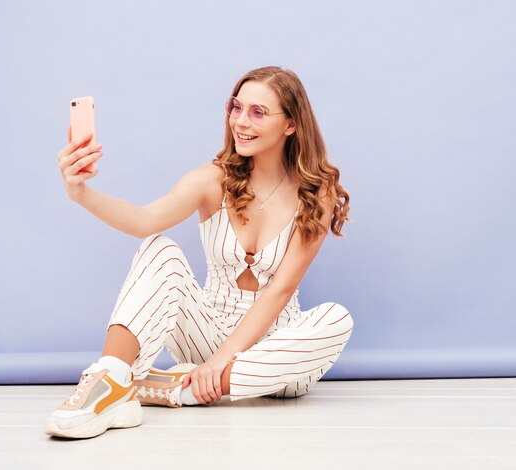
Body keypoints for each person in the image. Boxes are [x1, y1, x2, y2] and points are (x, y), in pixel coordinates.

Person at [46, 66, 354, 439]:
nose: (240, 121)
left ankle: (180, 388)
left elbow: (281, 290)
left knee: (337, 319)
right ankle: (108, 382)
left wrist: (222, 361)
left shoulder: (315, 193)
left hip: (276, 354)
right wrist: (80, 193)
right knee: (159, 248)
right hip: (206, 337)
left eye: (258, 112)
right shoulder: (213, 180)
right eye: (236, 107)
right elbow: (145, 220)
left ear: (290, 124)